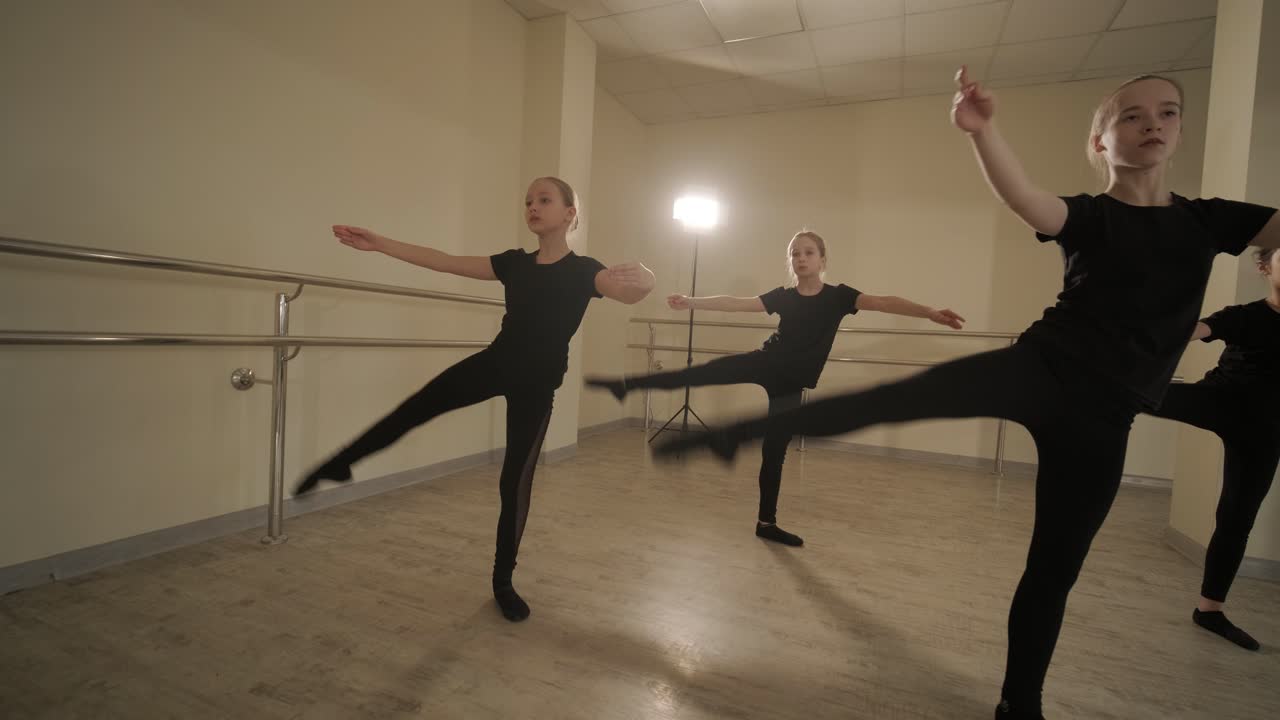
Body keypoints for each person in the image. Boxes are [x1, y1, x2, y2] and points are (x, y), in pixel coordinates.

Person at [654, 69, 1279, 719]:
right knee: (898, 396)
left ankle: (1019, 703)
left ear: (1180, 130)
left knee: (1054, 567)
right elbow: (1027, 200)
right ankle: (731, 434)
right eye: (1131, 115)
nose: (1153, 122)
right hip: (1040, 366)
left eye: (1169, 113)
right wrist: (983, 133)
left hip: (1109, 413)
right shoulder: (1091, 216)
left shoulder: (1210, 223)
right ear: (1099, 142)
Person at [294, 177, 656, 622]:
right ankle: (343, 460)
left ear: (568, 214)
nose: (533, 207)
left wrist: (647, 278)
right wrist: (380, 244)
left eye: (544, 200)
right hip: (496, 362)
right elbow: (445, 262)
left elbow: (628, 291)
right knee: (419, 404)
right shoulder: (513, 263)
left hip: (538, 384)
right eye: (528, 201)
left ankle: (503, 581)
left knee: (514, 481)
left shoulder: (585, 271)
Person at [587, 230, 963, 547]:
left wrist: (929, 312)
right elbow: (737, 304)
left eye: (808, 253)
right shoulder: (785, 296)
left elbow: (884, 301)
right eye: (795, 254)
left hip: (790, 382)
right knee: (707, 371)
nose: (801, 258)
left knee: (774, 451)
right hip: (766, 362)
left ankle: (766, 525)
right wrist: (691, 302)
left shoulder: (840, 297)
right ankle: (629, 386)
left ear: (822, 259)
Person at [1148, 246, 1280, 651]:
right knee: (1129, 392)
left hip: (1264, 430)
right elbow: (1196, 329)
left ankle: (1209, 611)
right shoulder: (1247, 316)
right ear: (1264, 267)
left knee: (1237, 518)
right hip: (1218, 401)